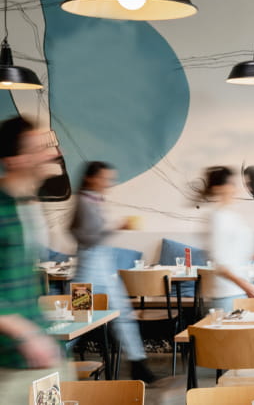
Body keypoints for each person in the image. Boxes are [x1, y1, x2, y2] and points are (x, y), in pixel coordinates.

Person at [0, 117, 68, 403]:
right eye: (39, 148)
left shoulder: (27, 204)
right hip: (9, 360)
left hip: (36, 354)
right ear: (15, 160)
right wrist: (26, 334)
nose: (52, 153)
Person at [70, 161, 155, 383]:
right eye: (104, 178)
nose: (108, 183)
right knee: (79, 319)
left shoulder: (92, 201)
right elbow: (86, 236)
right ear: (91, 178)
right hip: (89, 267)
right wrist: (118, 226)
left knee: (122, 315)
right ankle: (54, 355)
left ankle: (138, 364)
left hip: (100, 265)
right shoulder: (84, 202)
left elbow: (79, 231)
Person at [200, 166, 254, 313]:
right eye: (231, 184)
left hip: (240, 291)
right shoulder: (216, 218)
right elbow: (220, 264)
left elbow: (235, 254)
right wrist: (246, 286)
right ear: (218, 188)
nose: (235, 188)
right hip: (225, 295)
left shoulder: (231, 216)